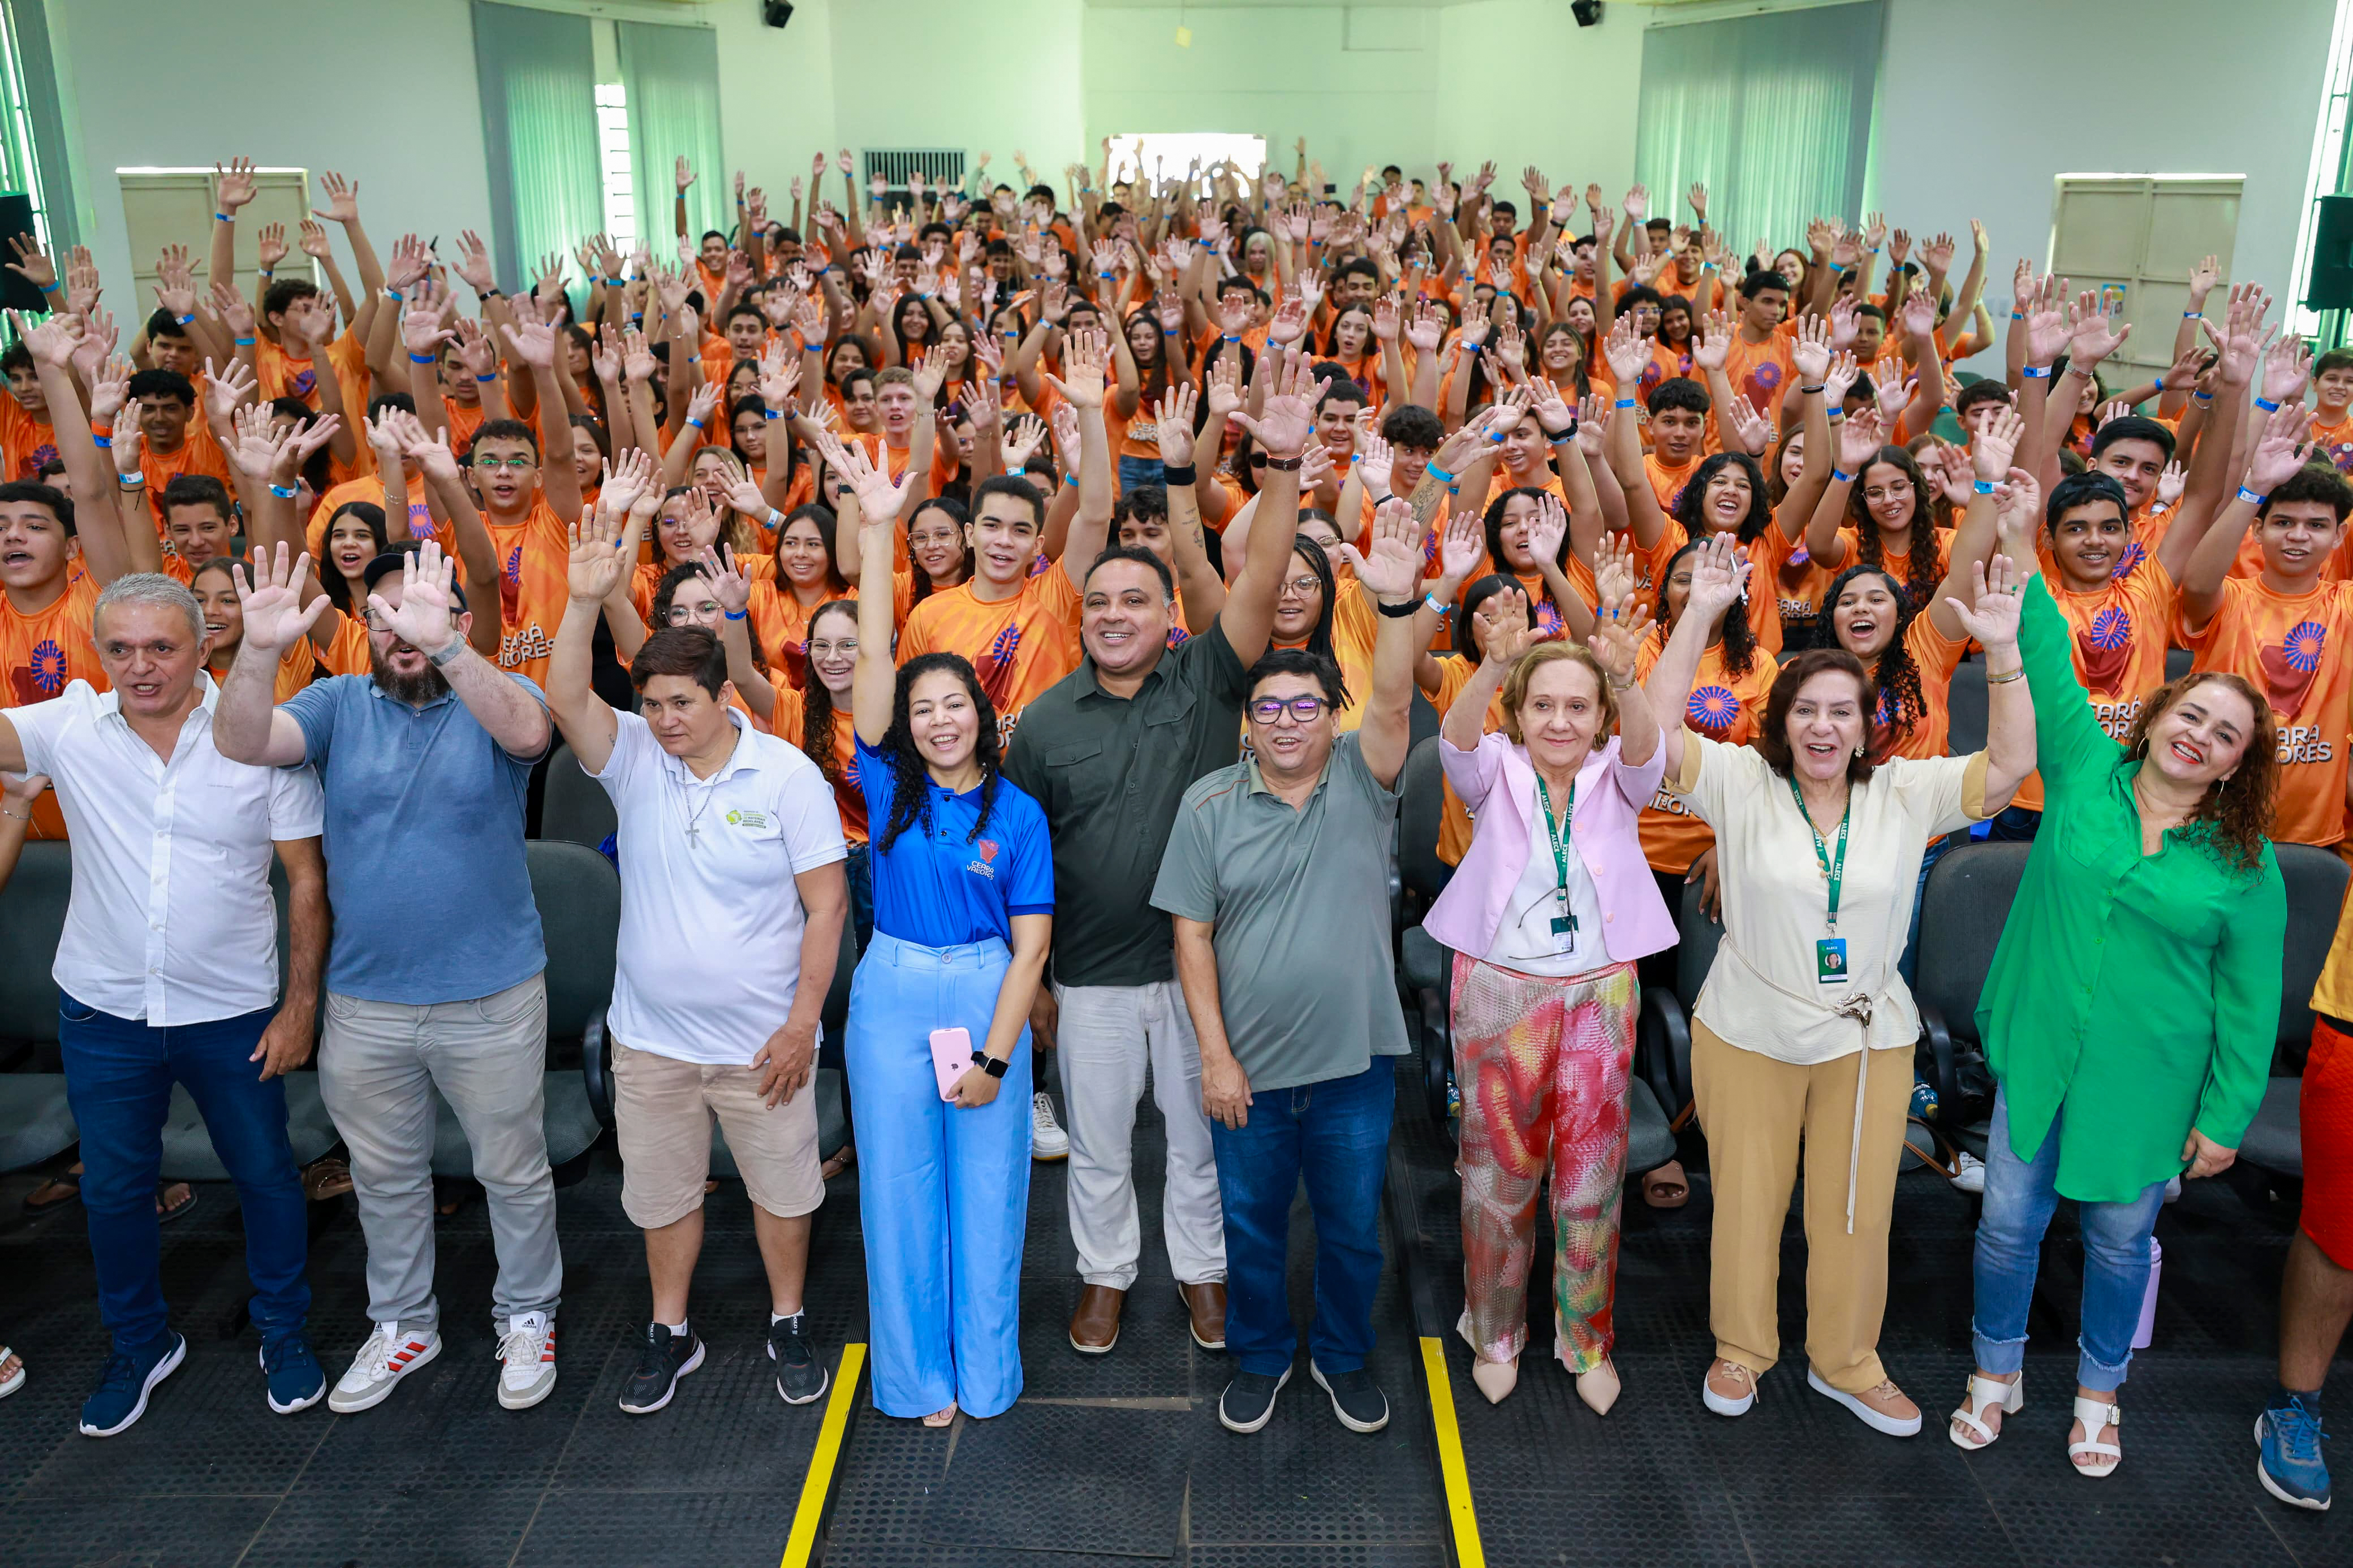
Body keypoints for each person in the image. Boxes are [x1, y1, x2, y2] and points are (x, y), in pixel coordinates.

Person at [1648, 533, 2035, 1438]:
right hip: (1749, 1028)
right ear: (1781, 721)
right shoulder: (1742, 781)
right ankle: (1742, 1348)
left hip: (1867, 1036)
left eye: (1841, 712)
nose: (1823, 728)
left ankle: (1847, 1360)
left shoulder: (1905, 791)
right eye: (1806, 711)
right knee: (1747, 1200)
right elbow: (1653, 739)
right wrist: (1698, 614)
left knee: (1857, 1207)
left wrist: (2004, 651)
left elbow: (2011, 768)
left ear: (1867, 725)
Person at [1951, 498, 2284, 1478]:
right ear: (2158, 716)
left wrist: (2224, 1119)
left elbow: (2250, 1004)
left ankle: (2099, 1392)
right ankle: (1994, 1371)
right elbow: (2046, 653)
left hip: (2150, 1081)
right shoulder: (2084, 769)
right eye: (2191, 714)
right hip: (2042, 1049)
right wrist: (2021, 537)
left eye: (2225, 735)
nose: (2200, 736)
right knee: (2007, 1224)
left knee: (2118, 1240)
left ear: (2238, 765)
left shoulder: (2247, 863)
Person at [213, 541, 564, 1415]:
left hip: (491, 994)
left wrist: (448, 646)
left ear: (461, 620)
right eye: (385, 618)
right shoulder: (338, 702)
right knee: (384, 1176)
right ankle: (405, 1322)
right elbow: (242, 739)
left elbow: (532, 734)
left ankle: (528, 1313)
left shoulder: (494, 697)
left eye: (421, 613)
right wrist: (256, 650)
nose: (402, 631)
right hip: (365, 1001)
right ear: (363, 629)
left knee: (513, 1170)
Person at [1002, 372, 1305, 1359]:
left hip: (1198, 972)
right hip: (1087, 973)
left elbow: (1263, 575)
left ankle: (1202, 1269)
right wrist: (1035, 985)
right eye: (1098, 601)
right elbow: (1022, 865)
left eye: (1135, 598)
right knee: (1095, 1144)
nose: (1114, 613)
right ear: (1080, 616)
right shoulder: (1044, 723)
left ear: (1167, 610)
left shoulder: (1208, 677)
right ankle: (1105, 1273)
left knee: (1199, 1138)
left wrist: (1276, 463)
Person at [0, 572, 329, 1435]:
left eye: (160, 646)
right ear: (98, 651)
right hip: (104, 1010)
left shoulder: (260, 735)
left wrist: (300, 1008)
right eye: (120, 648)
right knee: (113, 1190)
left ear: (204, 645)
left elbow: (306, 879)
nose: (139, 665)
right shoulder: (68, 724)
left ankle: (283, 1329)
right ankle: (141, 1342)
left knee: (265, 1174)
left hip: (232, 1010)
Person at [548, 503, 848, 1415]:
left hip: (764, 1042)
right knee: (662, 1194)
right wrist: (583, 601)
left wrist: (802, 1025)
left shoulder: (788, 775)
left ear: (724, 697)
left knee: (783, 1191)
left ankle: (788, 1318)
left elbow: (828, 906)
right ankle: (670, 1329)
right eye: (651, 703)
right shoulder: (634, 757)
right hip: (651, 1043)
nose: (664, 718)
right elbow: (565, 699)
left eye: (681, 702)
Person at [1151, 496, 1428, 1438]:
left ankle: (1343, 1356)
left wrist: (1397, 605)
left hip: (1355, 1064)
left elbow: (1395, 699)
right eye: (1267, 706)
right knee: (1253, 1227)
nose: (1285, 720)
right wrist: (1216, 1058)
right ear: (1247, 720)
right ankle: (1263, 1355)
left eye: (1306, 705)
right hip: (1249, 1074)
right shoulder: (1207, 805)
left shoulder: (1361, 776)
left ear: (1330, 716)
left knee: (1352, 1230)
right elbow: (1191, 936)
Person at [1420, 549, 1673, 1413]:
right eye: (1542, 704)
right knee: (1496, 1173)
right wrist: (1493, 663)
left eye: (1578, 705)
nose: (1559, 720)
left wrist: (1625, 680)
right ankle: (1495, 1329)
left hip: (1600, 991)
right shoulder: (1495, 765)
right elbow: (1454, 742)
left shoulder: (1618, 774)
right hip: (1501, 989)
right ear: (1519, 712)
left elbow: (1648, 751)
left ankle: (1585, 1337)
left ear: (1599, 716)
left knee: (1593, 1176)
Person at [846, 467, 1054, 1426]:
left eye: (955, 704)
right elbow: (873, 659)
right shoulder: (890, 787)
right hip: (891, 990)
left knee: (989, 1194)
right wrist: (879, 534)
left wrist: (997, 1058)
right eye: (922, 707)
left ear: (983, 714)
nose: (939, 719)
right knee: (897, 1197)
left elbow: (1031, 950)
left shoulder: (1019, 814)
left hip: (984, 995)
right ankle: (918, 1382)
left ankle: (987, 1375)